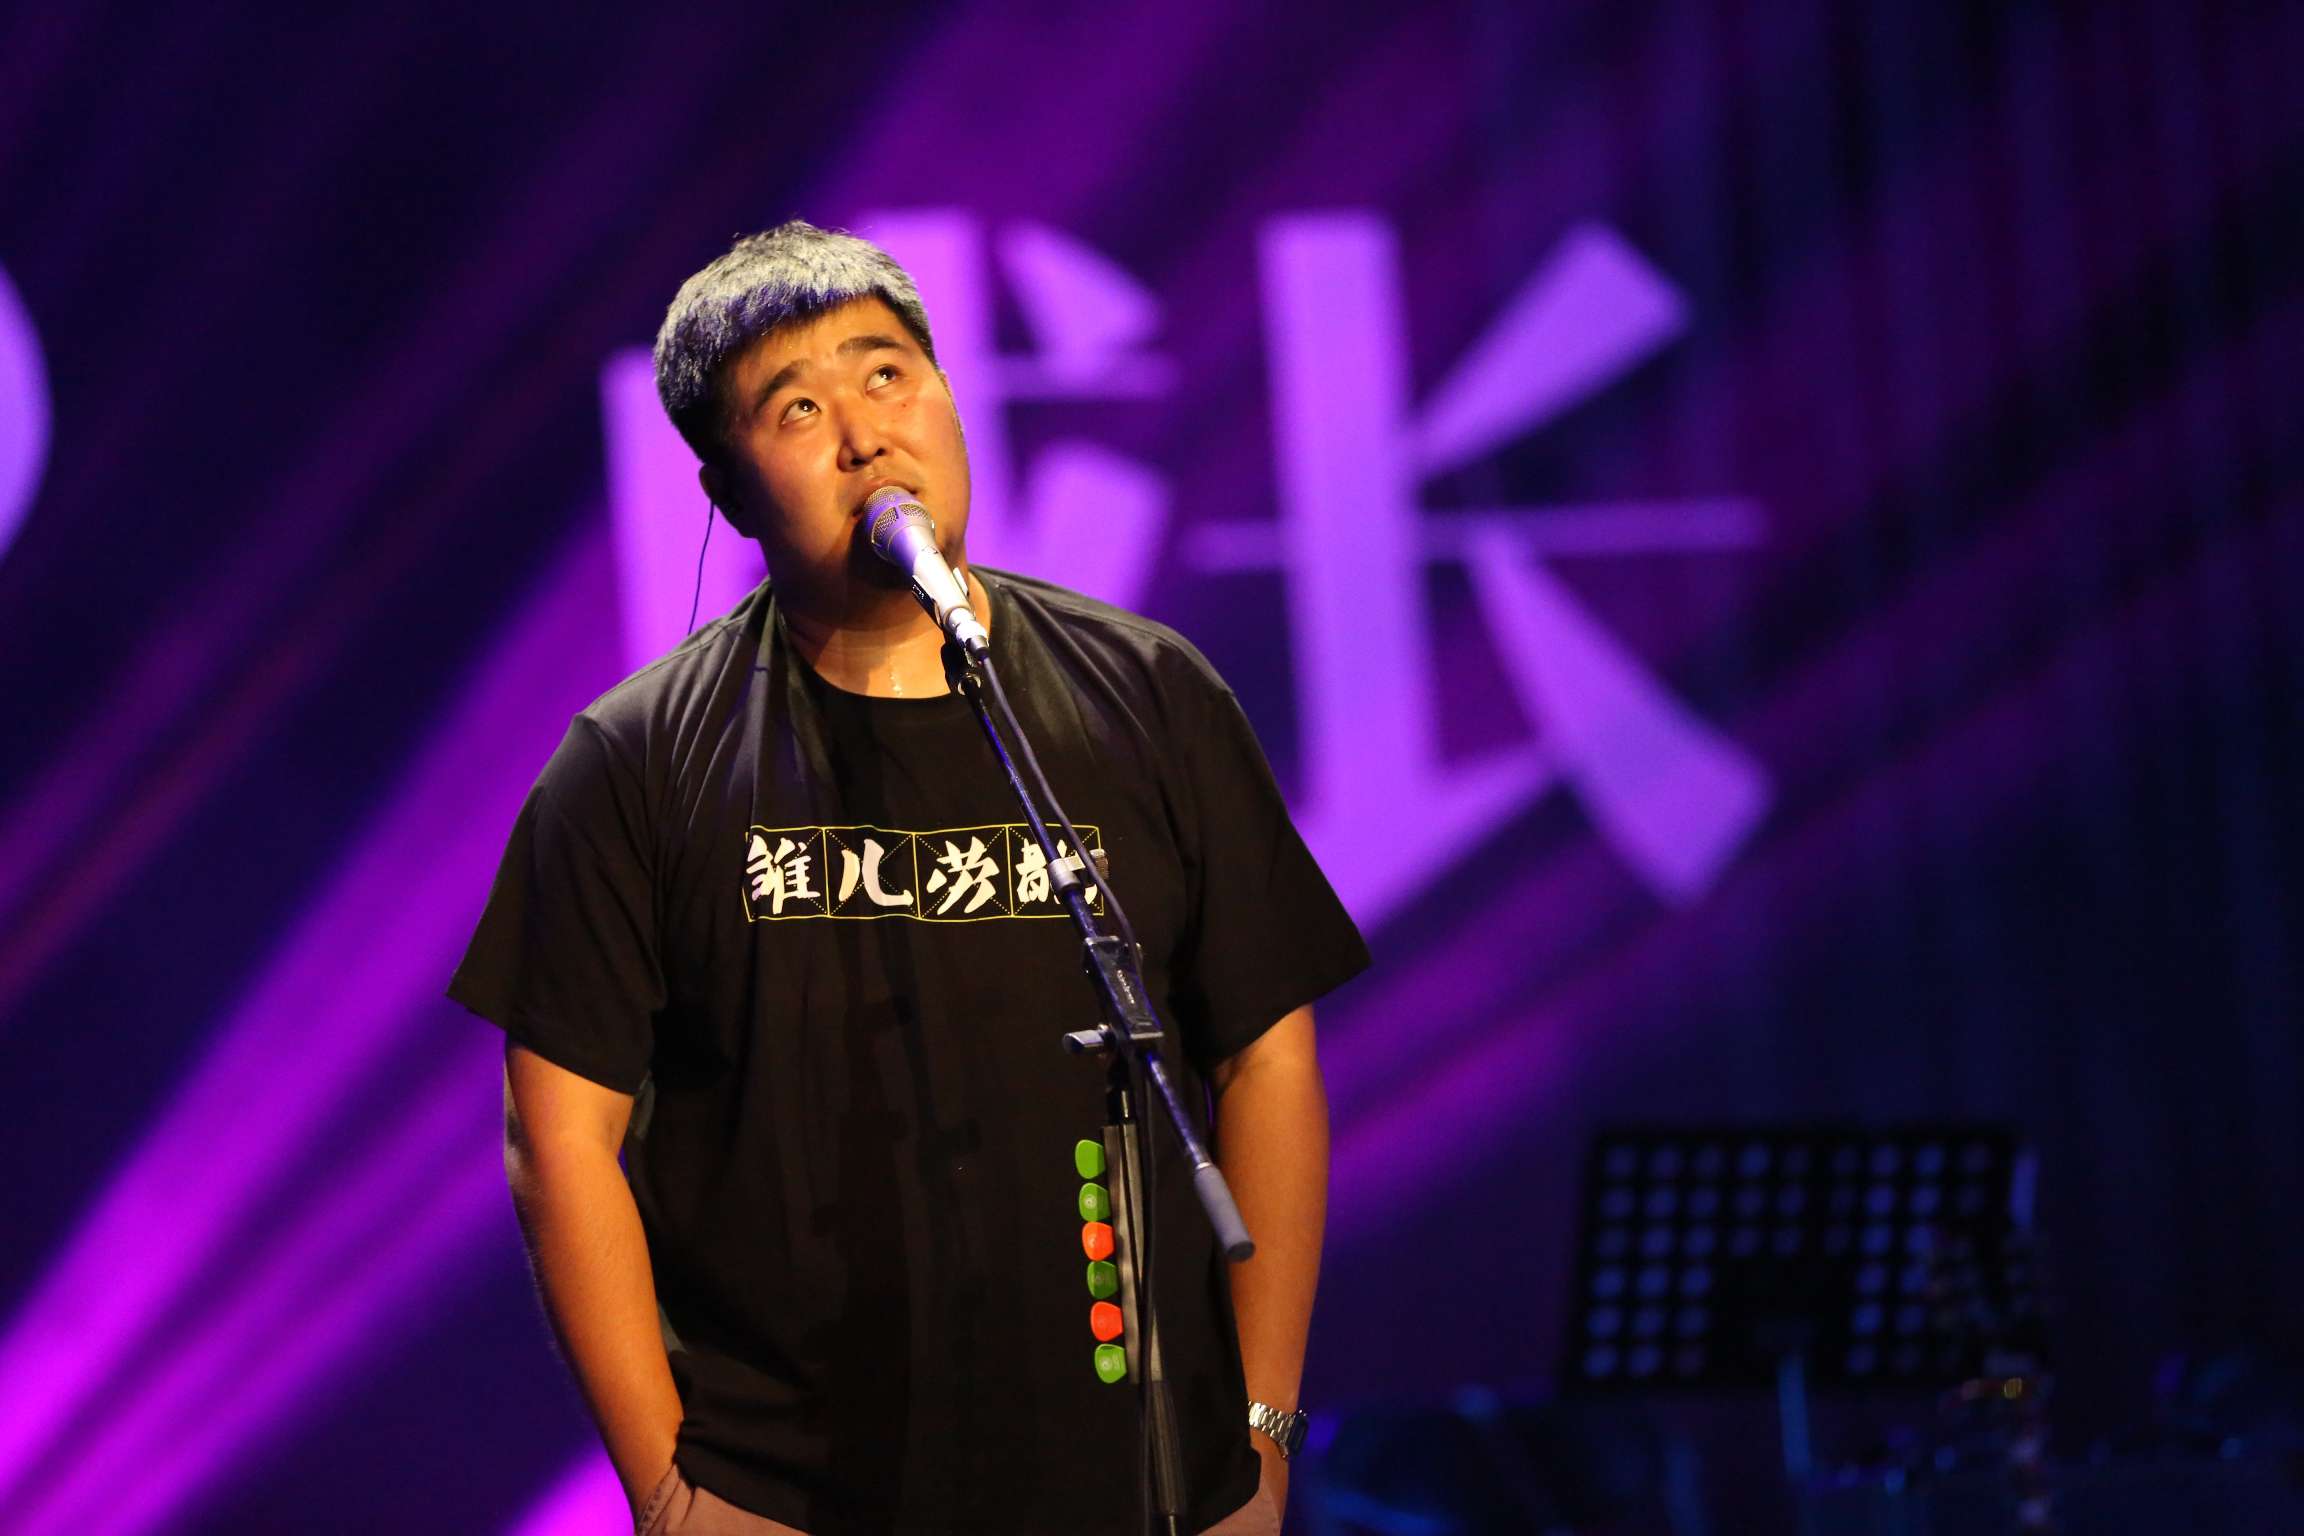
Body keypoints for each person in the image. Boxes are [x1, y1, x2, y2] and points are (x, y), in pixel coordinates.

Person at [450, 221, 1368, 1536]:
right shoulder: (637, 761)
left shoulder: (1150, 697)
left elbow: (1266, 1055)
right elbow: (558, 1137)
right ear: (727, 492)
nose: (865, 437)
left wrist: (1262, 1440)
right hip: (793, 1496)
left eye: (888, 375)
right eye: (798, 409)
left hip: (1144, 1485)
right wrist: (666, 1493)